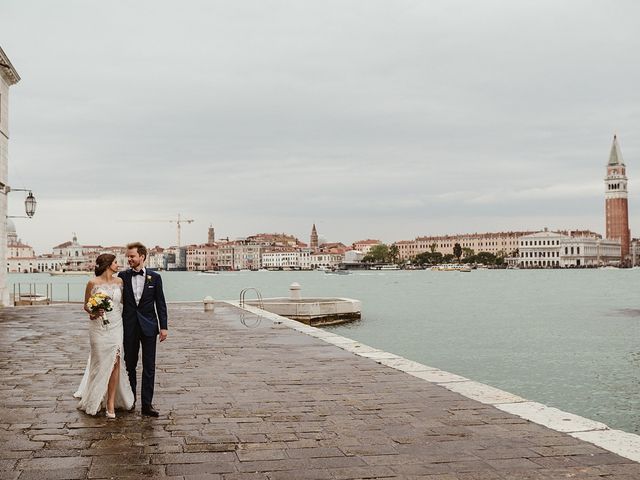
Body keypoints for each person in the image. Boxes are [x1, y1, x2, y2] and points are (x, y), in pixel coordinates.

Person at [74, 254, 134, 418]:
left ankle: (110, 404)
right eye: (115, 262)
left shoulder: (119, 282)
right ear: (108, 264)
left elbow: (125, 302)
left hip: (116, 325)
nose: (118, 265)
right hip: (98, 327)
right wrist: (94, 312)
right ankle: (95, 398)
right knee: (100, 362)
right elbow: (86, 305)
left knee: (115, 362)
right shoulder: (92, 283)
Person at [118, 242, 168, 417]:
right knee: (130, 365)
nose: (129, 259)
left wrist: (164, 327)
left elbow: (160, 303)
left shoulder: (155, 278)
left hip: (149, 327)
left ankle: (147, 405)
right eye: (128, 256)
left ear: (142, 257)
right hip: (129, 326)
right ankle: (130, 401)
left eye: (132, 256)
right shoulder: (122, 276)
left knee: (149, 367)